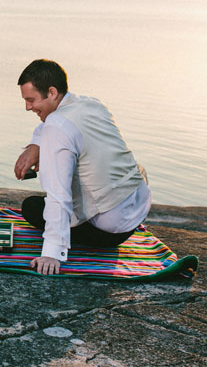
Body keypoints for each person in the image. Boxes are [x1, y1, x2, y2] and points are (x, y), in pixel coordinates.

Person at [13, 59, 151, 276]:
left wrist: (51, 252)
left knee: (32, 207)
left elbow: (58, 193)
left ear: (51, 92)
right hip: (138, 207)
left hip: (110, 230)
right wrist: (36, 145)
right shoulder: (91, 104)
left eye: (31, 100)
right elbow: (53, 124)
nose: (27, 107)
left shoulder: (56, 129)